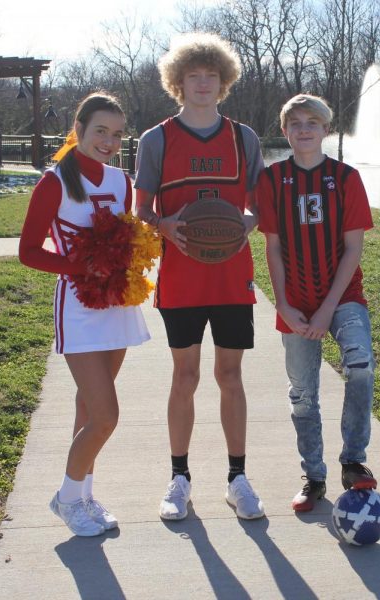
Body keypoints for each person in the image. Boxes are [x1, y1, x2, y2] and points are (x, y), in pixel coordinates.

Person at [134, 32, 265, 521]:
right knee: (184, 376)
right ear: (178, 82)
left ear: (223, 80)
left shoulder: (243, 137)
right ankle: (179, 478)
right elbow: (141, 208)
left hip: (232, 277)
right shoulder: (157, 139)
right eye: (194, 76)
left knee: (230, 376)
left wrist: (249, 219)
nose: (203, 83)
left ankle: (238, 479)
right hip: (182, 279)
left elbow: (259, 201)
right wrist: (163, 224)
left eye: (211, 75)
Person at [19, 92, 150, 536]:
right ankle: (67, 497)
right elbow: (28, 252)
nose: (109, 142)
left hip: (116, 303)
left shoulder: (122, 180)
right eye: (100, 131)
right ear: (78, 128)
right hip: (78, 304)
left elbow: (127, 235)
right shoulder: (55, 181)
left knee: (88, 407)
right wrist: (84, 264)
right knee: (106, 415)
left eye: (116, 134)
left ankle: (85, 495)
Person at [256, 94, 378, 512]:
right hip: (295, 302)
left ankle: (353, 461)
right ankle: (314, 476)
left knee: (360, 364)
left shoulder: (345, 178)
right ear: (285, 130)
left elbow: (352, 249)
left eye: (313, 122)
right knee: (303, 394)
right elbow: (272, 249)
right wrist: (284, 306)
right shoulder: (272, 180)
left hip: (343, 297)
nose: (304, 129)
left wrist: (328, 308)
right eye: (295, 123)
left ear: (327, 129)